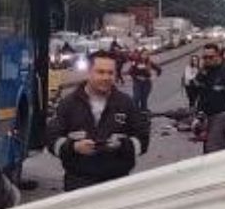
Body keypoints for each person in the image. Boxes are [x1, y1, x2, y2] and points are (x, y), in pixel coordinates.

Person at [47, 50, 149, 191]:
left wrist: (122, 145)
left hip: (117, 184)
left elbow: (143, 139)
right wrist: (74, 147)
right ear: (88, 73)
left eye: (110, 73)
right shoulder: (68, 104)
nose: (106, 77)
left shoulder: (126, 104)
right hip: (78, 183)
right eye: (100, 72)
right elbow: (52, 139)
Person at [195, 43, 225, 154]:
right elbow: (196, 93)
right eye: (205, 58)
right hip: (205, 116)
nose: (207, 60)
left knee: (213, 148)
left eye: (211, 57)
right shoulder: (204, 72)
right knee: (207, 149)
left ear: (218, 56)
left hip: (221, 114)